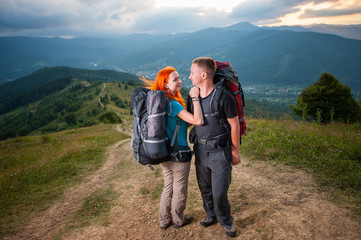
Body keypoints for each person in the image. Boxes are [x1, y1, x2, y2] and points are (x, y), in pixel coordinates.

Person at [140, 66, 204, 230]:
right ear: (166, 85)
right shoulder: (173, 104)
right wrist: (195, 98)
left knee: (168, 186)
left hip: (164, 152)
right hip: (179, 154)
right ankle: (178, 220)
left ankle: (163, 221)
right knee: (180, 189)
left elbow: (183, 123)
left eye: (179, 78)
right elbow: (198, 121)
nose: (180, 81)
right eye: (175, 79)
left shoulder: (161, 103)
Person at [187, 57, 241, 238]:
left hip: (220, 152)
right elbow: (190, 119)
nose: (189, 77)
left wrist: (235, 151)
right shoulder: (192, 95)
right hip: (200, 151)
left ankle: (226, 220)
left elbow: (234, 125)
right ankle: (210, 214)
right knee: (205, 188)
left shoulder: (223, 96)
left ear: (203, 74)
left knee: (219, 192)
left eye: (192, 73)